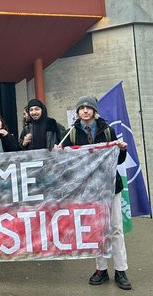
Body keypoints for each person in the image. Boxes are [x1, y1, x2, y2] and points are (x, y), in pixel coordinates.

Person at [61, 96, 132, 290]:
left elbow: (118, 160)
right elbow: (68, 164)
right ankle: (101, 268)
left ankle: (120, 270)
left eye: (88, 108)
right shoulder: (72, 134)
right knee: (96, 229)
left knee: (116, 228)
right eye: (81, 108)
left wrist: (122, 150)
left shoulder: (108, 130)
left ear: (94, 110)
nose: (85, 111)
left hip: (110, 186)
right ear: (78, 112)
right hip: (90, 189)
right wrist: (58, 153)